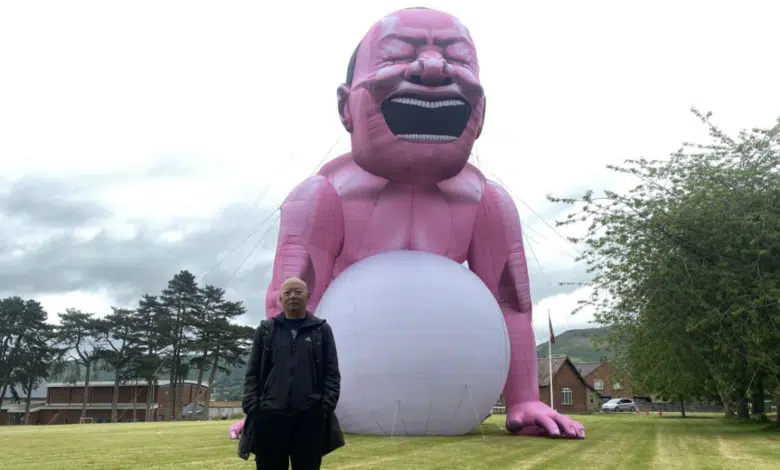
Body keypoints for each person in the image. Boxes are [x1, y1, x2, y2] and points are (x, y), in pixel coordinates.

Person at [242, 277, 342, 470]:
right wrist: (253, 407)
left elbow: (332, 373)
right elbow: (252, 372)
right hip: (269, 417)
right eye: (287, 293)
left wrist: (323, 407)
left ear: (308, 295)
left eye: (298, 292)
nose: (292, 296)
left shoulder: (321, 330)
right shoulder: (266, 330)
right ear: (280, 298)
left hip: (309, 418)